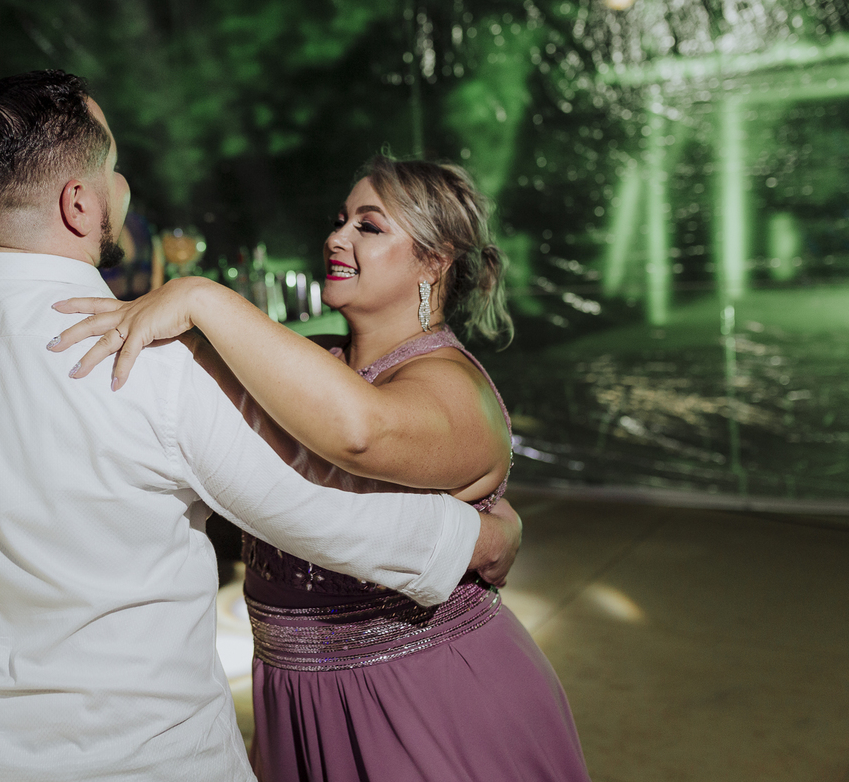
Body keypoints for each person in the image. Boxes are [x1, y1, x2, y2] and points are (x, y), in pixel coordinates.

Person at [0, 69, 522, 782]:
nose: (121, 188)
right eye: (114, 170)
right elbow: (323, 513)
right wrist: (480, 537)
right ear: (78, 202)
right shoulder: (154, 364)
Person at [54, 156, 592, 780]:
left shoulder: (451, 385)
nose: (337, 237)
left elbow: (360, 434)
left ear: (435, 260)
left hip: (424, 697)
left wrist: (200, 295)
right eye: (340, 220)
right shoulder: (310, 366)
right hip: (294, 704)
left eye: (369, 226)